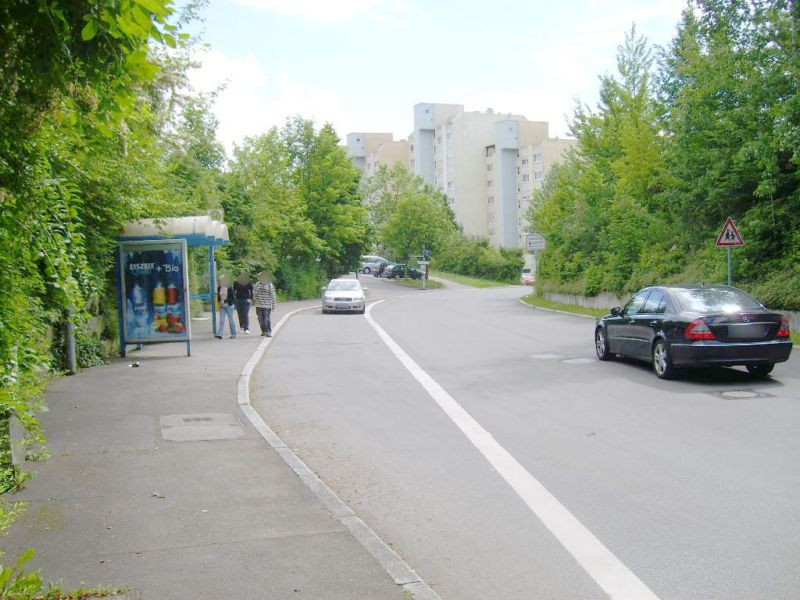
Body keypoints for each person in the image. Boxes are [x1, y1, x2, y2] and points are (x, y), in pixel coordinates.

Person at [253, 271, 277, 337]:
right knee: (260, 319)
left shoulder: (270, 285)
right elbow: (254, 293)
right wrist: (253, 298)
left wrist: (273, 306)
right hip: (258, 305)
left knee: (266, 319)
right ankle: (263, 331)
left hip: (267, 305)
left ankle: (268, 331)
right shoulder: (257, 284)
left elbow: (273, 296)